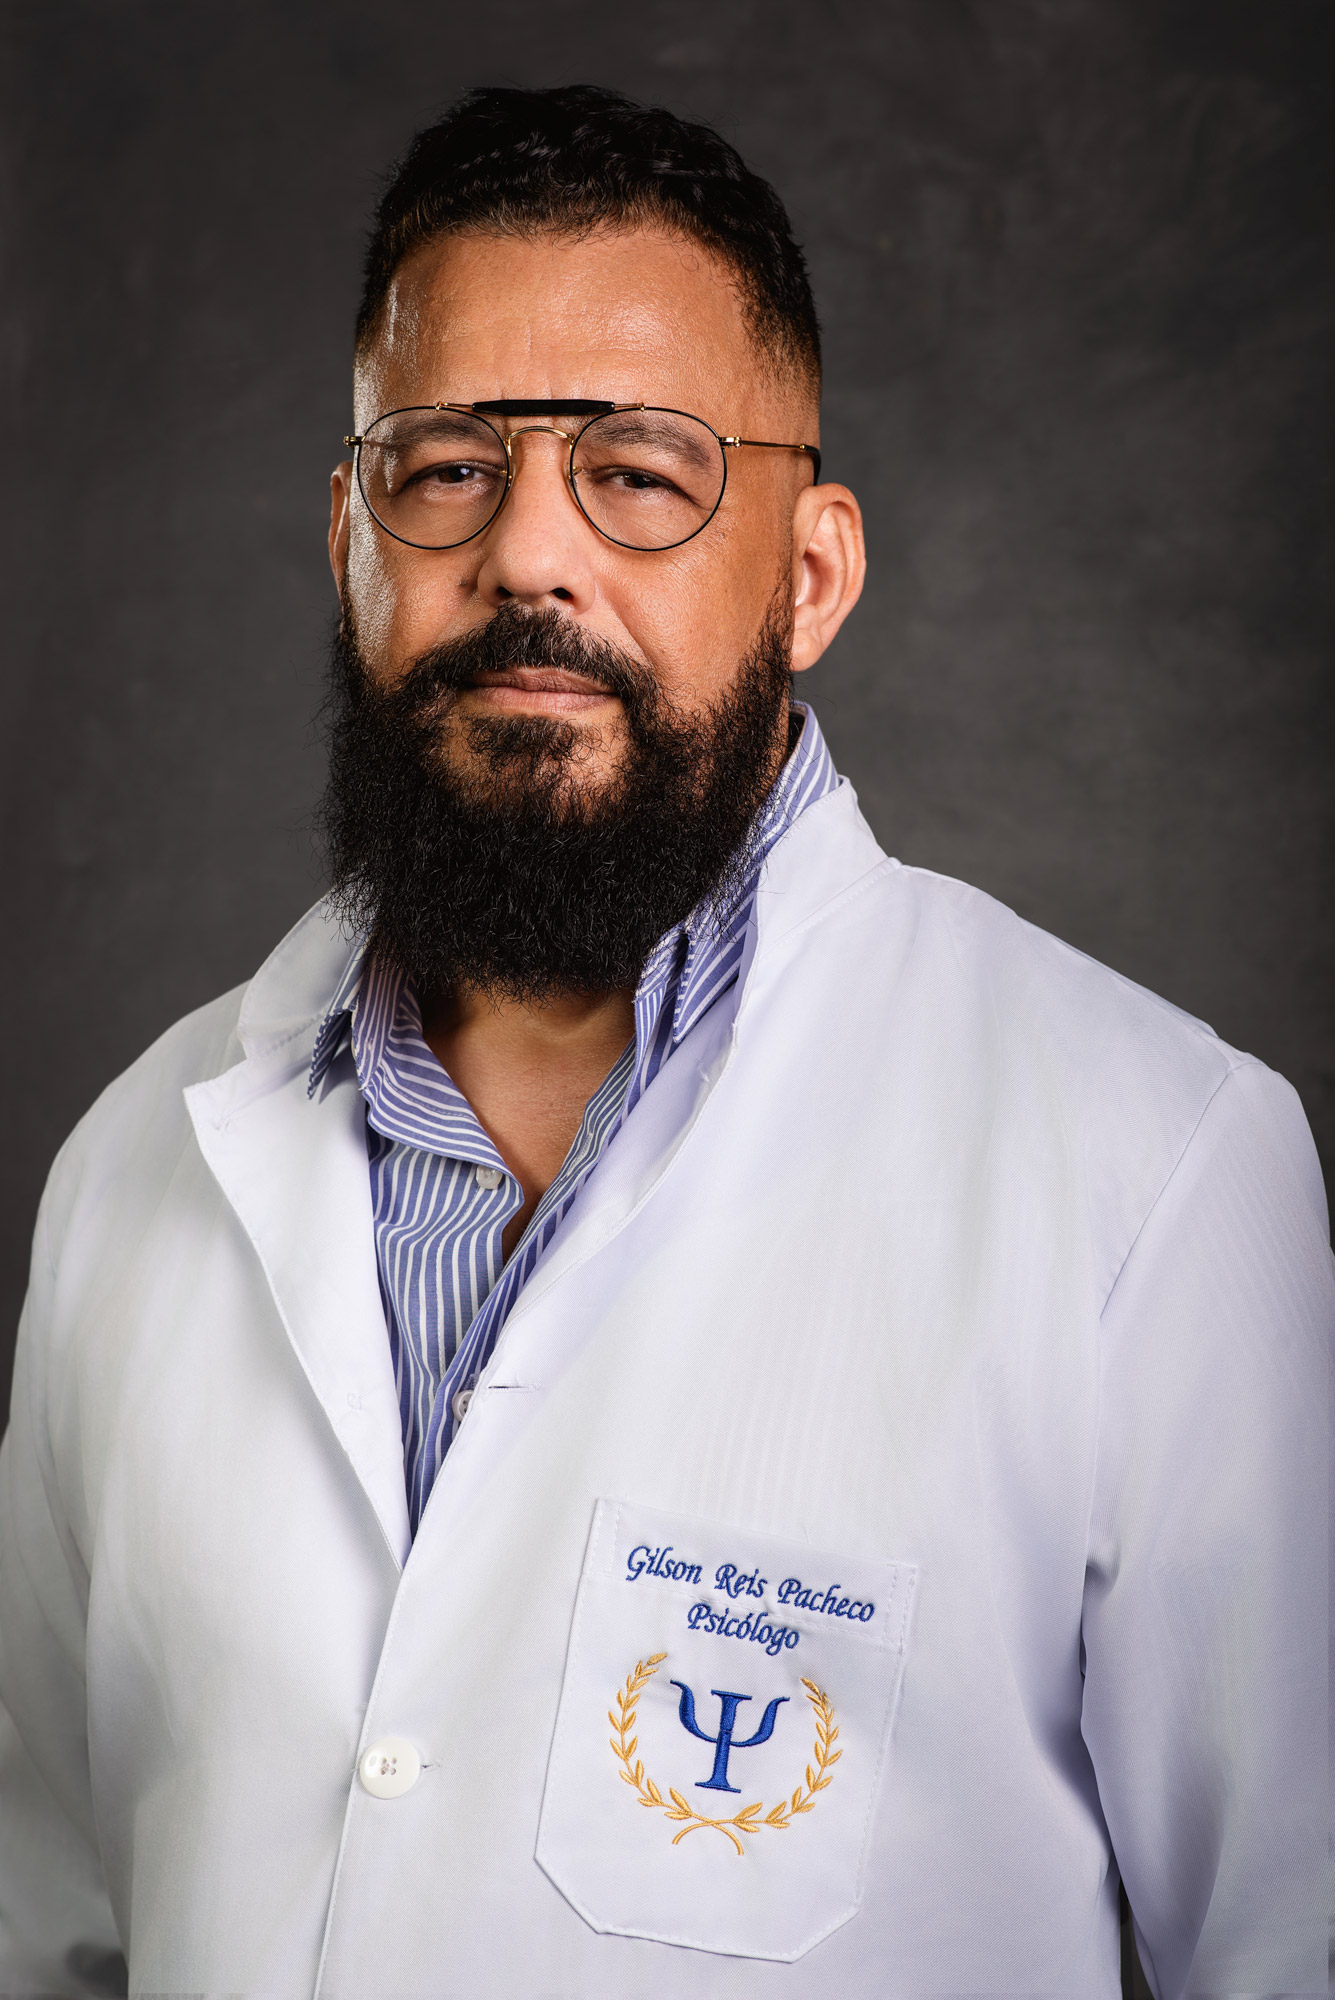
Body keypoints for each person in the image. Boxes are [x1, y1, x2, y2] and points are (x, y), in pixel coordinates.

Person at [0, 84, 1328, 2000]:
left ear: (810, 574)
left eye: (639, 471)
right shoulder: (129, 1173)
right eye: (445, 466)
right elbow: (46, 1932)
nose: (529, 555)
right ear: (350, 536)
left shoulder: (1158, 1170)